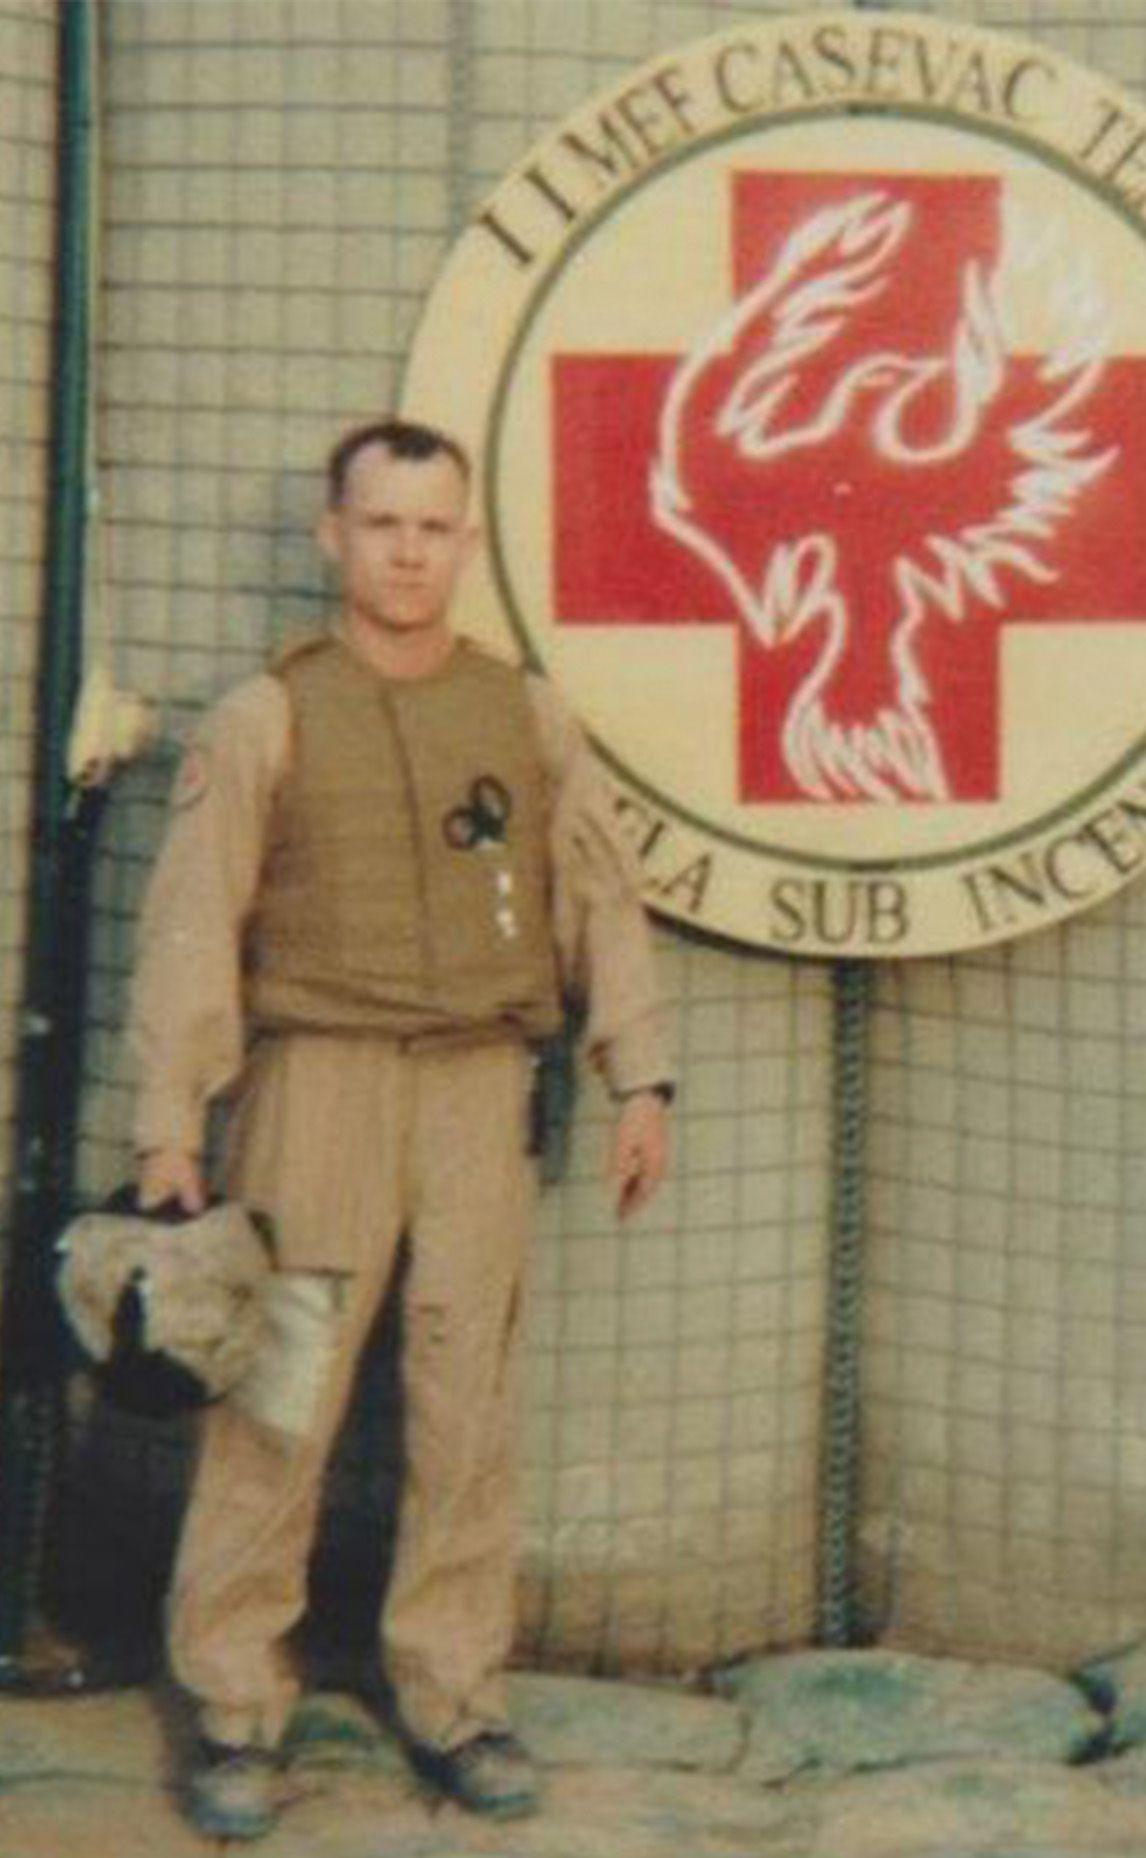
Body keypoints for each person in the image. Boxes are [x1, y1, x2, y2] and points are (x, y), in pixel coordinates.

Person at [129, 415, 673, 1840]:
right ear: (334, 536)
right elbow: (193, 922)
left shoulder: (522, 711)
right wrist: (167, 1126)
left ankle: (453, 1696)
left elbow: (599, 894)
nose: (409, 552)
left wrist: (641, 1077)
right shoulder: (268, 714)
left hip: (477, 1090)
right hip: (317, 1086)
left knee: (465, 1402)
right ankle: (238, 1710)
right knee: (277, 1396)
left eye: (435, 528)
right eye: (382, 525)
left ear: (465, 542)